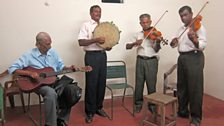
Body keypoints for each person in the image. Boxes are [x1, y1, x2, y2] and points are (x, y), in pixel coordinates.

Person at [8, 32, 76, 126]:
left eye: (50, 43)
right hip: (38, 84)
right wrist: (30, 73)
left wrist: (68, 68)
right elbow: (12, 69)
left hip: (54, 80)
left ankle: (61, 118)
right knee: (51, 93)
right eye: (47, 44)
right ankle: (51, 124)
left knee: (72, 90)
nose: (50, 46)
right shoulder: (29, 55)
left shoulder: (53, 52)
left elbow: (61, 66)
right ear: (38, 44)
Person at [170, 6, 207, 126]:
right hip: (182, 58)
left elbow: (202, 45)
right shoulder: (181, 28)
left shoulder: (199, 27)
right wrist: (173, 43)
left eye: (185, 15)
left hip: (194, 57)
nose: (183, 18)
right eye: (181, 16)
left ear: (191, 14)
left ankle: (196, 118)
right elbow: (178, 44)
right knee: (182, 86)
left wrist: (194, 40)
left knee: (195, 88)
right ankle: (183, 111)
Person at [78, 5, 111, 123]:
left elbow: (106, 44)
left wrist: (109, 46)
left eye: (100, 12)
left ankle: (99, 107)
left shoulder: (103, 26)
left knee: (101, 83)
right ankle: (90, 112)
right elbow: (80, 42)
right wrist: (95, 39)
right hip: (91, 57)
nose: (98, 13)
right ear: (91, 13)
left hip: (102, 55)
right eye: (96, 11)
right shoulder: (86, 25)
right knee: (91, 84)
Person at [126, 14, 162, 113]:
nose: (145, 24)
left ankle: (152, 105)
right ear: (140, 23)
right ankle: (138, 104)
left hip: (152, 61)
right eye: (143, 22)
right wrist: (134, 43)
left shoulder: (155, 34)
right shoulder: (138, 34)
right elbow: (127, 46)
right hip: (140, 60)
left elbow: (157, 49)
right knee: (139, 83)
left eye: (147, 22)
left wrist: (157, 42)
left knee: (151, 84)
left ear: (150, 22)